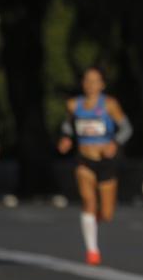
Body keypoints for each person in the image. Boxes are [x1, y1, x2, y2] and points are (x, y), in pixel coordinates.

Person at [57, 67, 133, 265]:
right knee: (88, 201)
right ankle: (92, 250)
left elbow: (126, 128)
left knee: (106, 214)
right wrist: (66, 138)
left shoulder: (109, 104)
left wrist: (114, 143)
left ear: (102, 84)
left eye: (95, 81)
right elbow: (67, 125)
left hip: (106, 161)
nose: (91, 85)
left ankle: (93, 221)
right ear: (83, 83)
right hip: (84, 159)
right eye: (87, 80)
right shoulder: (74, 105)